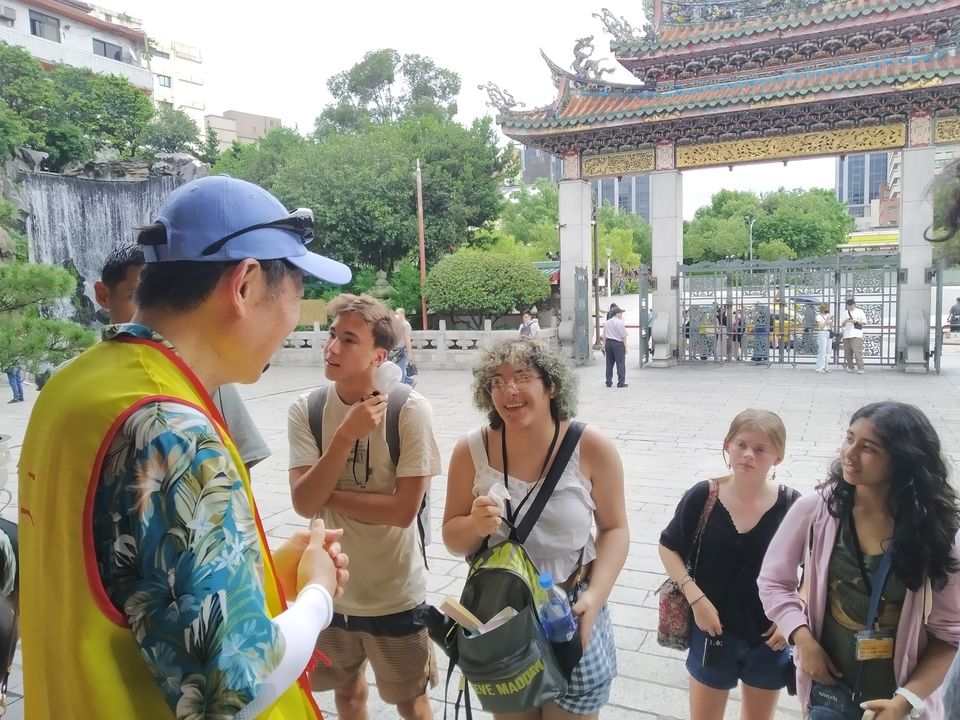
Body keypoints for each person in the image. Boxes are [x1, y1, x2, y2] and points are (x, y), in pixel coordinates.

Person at [17, 175, 352, 719]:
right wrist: (315, 596)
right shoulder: (170, 431)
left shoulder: (73, 385)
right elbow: (235, 691)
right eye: (296, 292)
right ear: (244, 285)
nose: (295, 319)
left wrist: (258, 576)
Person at [442, 338, 629, 719]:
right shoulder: (471, 451)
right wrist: (476, 525)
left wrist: (595, 598)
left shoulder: (590, 446)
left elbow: (615, 528)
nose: (509, 390)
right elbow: (452, 537)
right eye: (496, 380)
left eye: (523, 377)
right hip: (503, 616)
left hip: (572, 609)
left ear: (552, 386)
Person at [287, 293, 442, 720]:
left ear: (379, 354)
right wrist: (344, 437)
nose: (332, 348)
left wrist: (327, 495)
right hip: (328, 588)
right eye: (333, 336)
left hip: (394, 591)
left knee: (412, 702)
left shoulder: (410, 411)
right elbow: (303, 503)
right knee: (346, 695)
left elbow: (402, 511)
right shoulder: (308, 409)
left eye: (348, 340)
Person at [759, 402, 960, 719]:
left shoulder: (938, 534)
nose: (849, 454)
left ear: (902, 459)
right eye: (849, 438)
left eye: (868, 447)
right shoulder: (816, 509)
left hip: (896, 705)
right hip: (829, 692)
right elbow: (773, 581)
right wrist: (803, 639)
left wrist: (904, 701)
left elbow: (948, 636)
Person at [659, 410, 799, 720]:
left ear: (778, 456)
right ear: (727, 445)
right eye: (741, 444)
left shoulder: (792, 505)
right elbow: (669, 546)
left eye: (761, 449)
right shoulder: (703, 496)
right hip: (712, 629)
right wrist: (695, 598)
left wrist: (794, 610)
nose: (748, 455)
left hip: (769, 635)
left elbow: (817, 563)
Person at [91, 242, 272, 469]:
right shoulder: (70, 381)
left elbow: (237, 466)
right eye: (137, 295)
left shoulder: (206, 379)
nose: (152, 311)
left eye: (160, 298)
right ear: (103, 295)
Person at [603, 303, 628, 388]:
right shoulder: (620, 323)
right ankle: (621, 382)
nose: (621, 314)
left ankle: (608, 382)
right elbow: (623, 336)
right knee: (620, 363)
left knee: (609, 363)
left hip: (609, 344)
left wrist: (603, 346)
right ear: (616, 314)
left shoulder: (607, 323)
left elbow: (604, 336)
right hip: (618, 344)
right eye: (620, 312)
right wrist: (626, 347)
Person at [841, 297, 867, 374]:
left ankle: (861, 368)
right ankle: (850, 367)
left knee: (857, 352)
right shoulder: (845, 313)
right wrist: (846, 321)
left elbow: (864, 322)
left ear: (855, 305)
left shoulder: (860, 312)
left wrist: (855, 321)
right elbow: (842, 324)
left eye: (851, 306)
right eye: (848, 306)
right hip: (846, 335)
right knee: (848, 352)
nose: (850, 308)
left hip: (856, 335)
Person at [392, 306, 416, 387]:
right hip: (396, 350)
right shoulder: (398, 324)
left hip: (402, 350)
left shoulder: (406, 325)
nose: (396, 315)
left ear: (402, 314)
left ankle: (402, 387)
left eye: (397, 313)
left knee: (400, 370)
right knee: (396, 369)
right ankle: (410, 381)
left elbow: (407, 339)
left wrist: (409, 353)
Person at [815, 302, 834, 374]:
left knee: (828, 351)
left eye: (828, 308)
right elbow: (821, 327)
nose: (827, 310)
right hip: (823, 332)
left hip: (829, 332)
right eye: (826, 308)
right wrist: (827, 320)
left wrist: (831, 320)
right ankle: (820, 367)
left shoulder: (829, 315)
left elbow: (831, 326)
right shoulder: (819, 316)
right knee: (822, 351)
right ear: (822, 309)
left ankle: (826, 367)